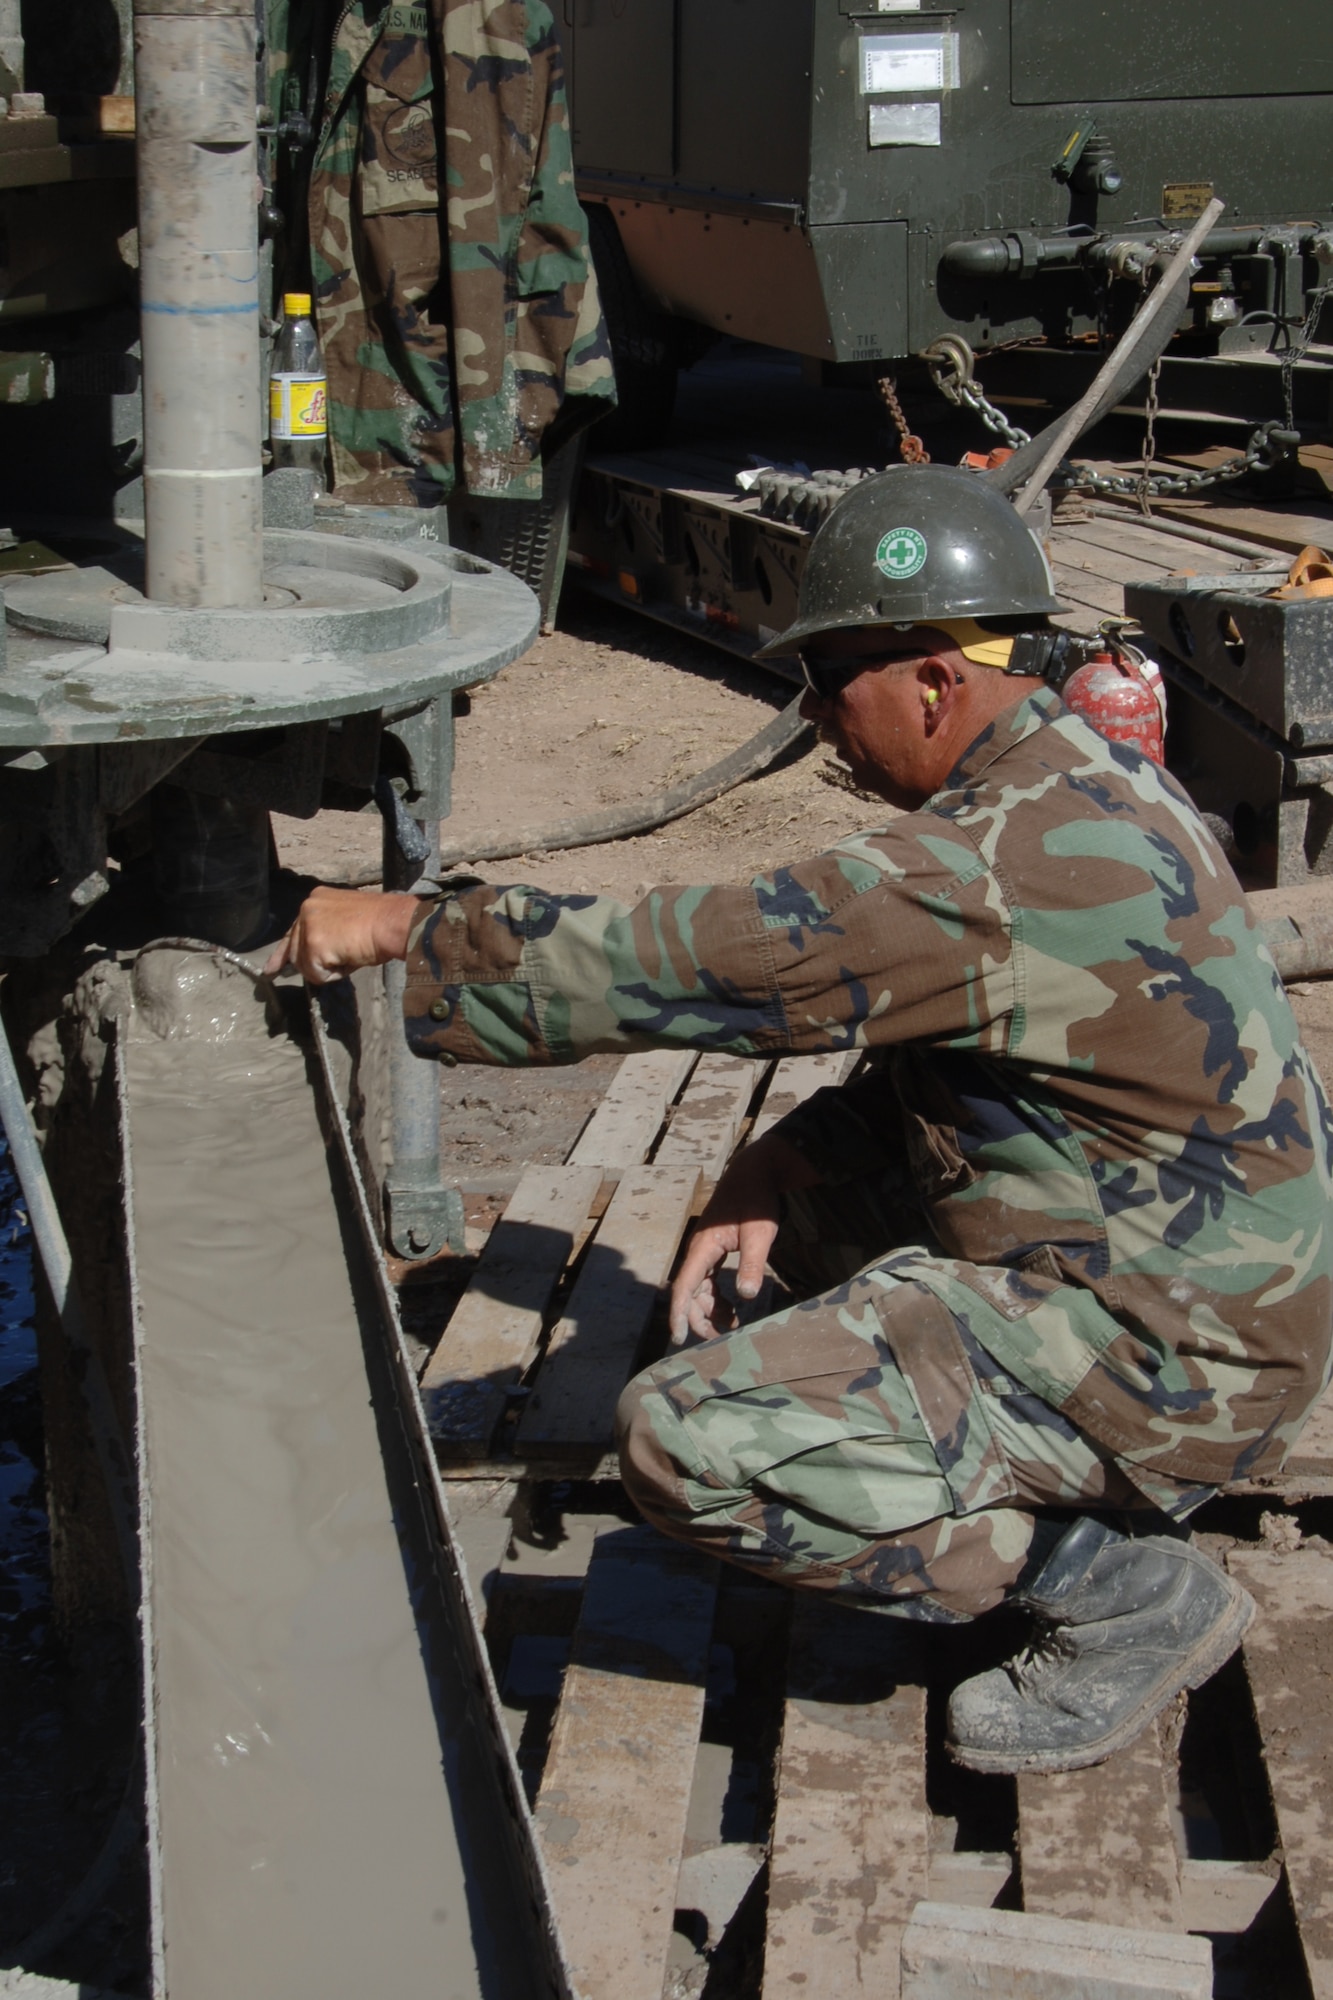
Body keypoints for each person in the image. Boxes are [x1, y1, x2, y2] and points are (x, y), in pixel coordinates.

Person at [267, 466, 1333, 1774]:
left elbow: (706, 961)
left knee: (687, 1441)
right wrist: (781, 1159)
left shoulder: (981, 871)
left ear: (935, 675)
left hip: (1174, 1364)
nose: (820, 720)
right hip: (1196, 1262)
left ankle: (1119, 1590)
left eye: (830, 680)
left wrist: (399, 935)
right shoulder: (1081, 775)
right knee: (777, 1253)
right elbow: (984, 1054)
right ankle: (956, 1422)